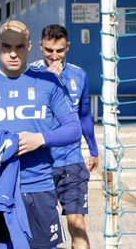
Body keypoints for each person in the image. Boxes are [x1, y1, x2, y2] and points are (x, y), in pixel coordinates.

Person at [0, 20, 82, 248]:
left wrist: (41, 139)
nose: (13, 54)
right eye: (6, 47)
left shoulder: (48, 82)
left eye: (19, 47)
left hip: (38, 185)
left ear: (29, 46)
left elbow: (74, 129)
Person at [30, 24, 99, 249]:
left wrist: (93, 149)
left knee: (77, 223)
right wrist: (46, 81)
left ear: (67, 47)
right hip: (41, 163)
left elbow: (85, 114)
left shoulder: (79, 75)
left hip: (72, 161)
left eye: (59, 50)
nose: (54, 56)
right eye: (49, 50)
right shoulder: (29, 74)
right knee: (42, 230)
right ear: (40, 46)